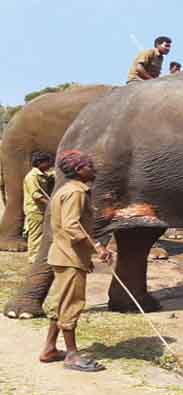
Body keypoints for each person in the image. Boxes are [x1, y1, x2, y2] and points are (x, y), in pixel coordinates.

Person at [40, 150, 112, 372]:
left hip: (63, 254)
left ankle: (50, 348)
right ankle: (72, 355)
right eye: (89, 165)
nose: (94, 168)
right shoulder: (76, 193)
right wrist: (98, 246)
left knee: (59, 303)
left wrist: (86, 255)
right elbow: (72, 226)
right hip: (69, 257)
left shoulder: (65, 190)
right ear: (80, 170)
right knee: (71, 305)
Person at [23, 152, 55, 263]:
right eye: (47, 162)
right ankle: (33, 258)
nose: (49, 165)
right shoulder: (32, 176)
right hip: (35, 210)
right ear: (39, 163)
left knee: (41, 233)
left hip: (41, 210)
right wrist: (51, 204)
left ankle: (39, 256)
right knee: (36, 234)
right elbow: (36, 195)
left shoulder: (42, 174)